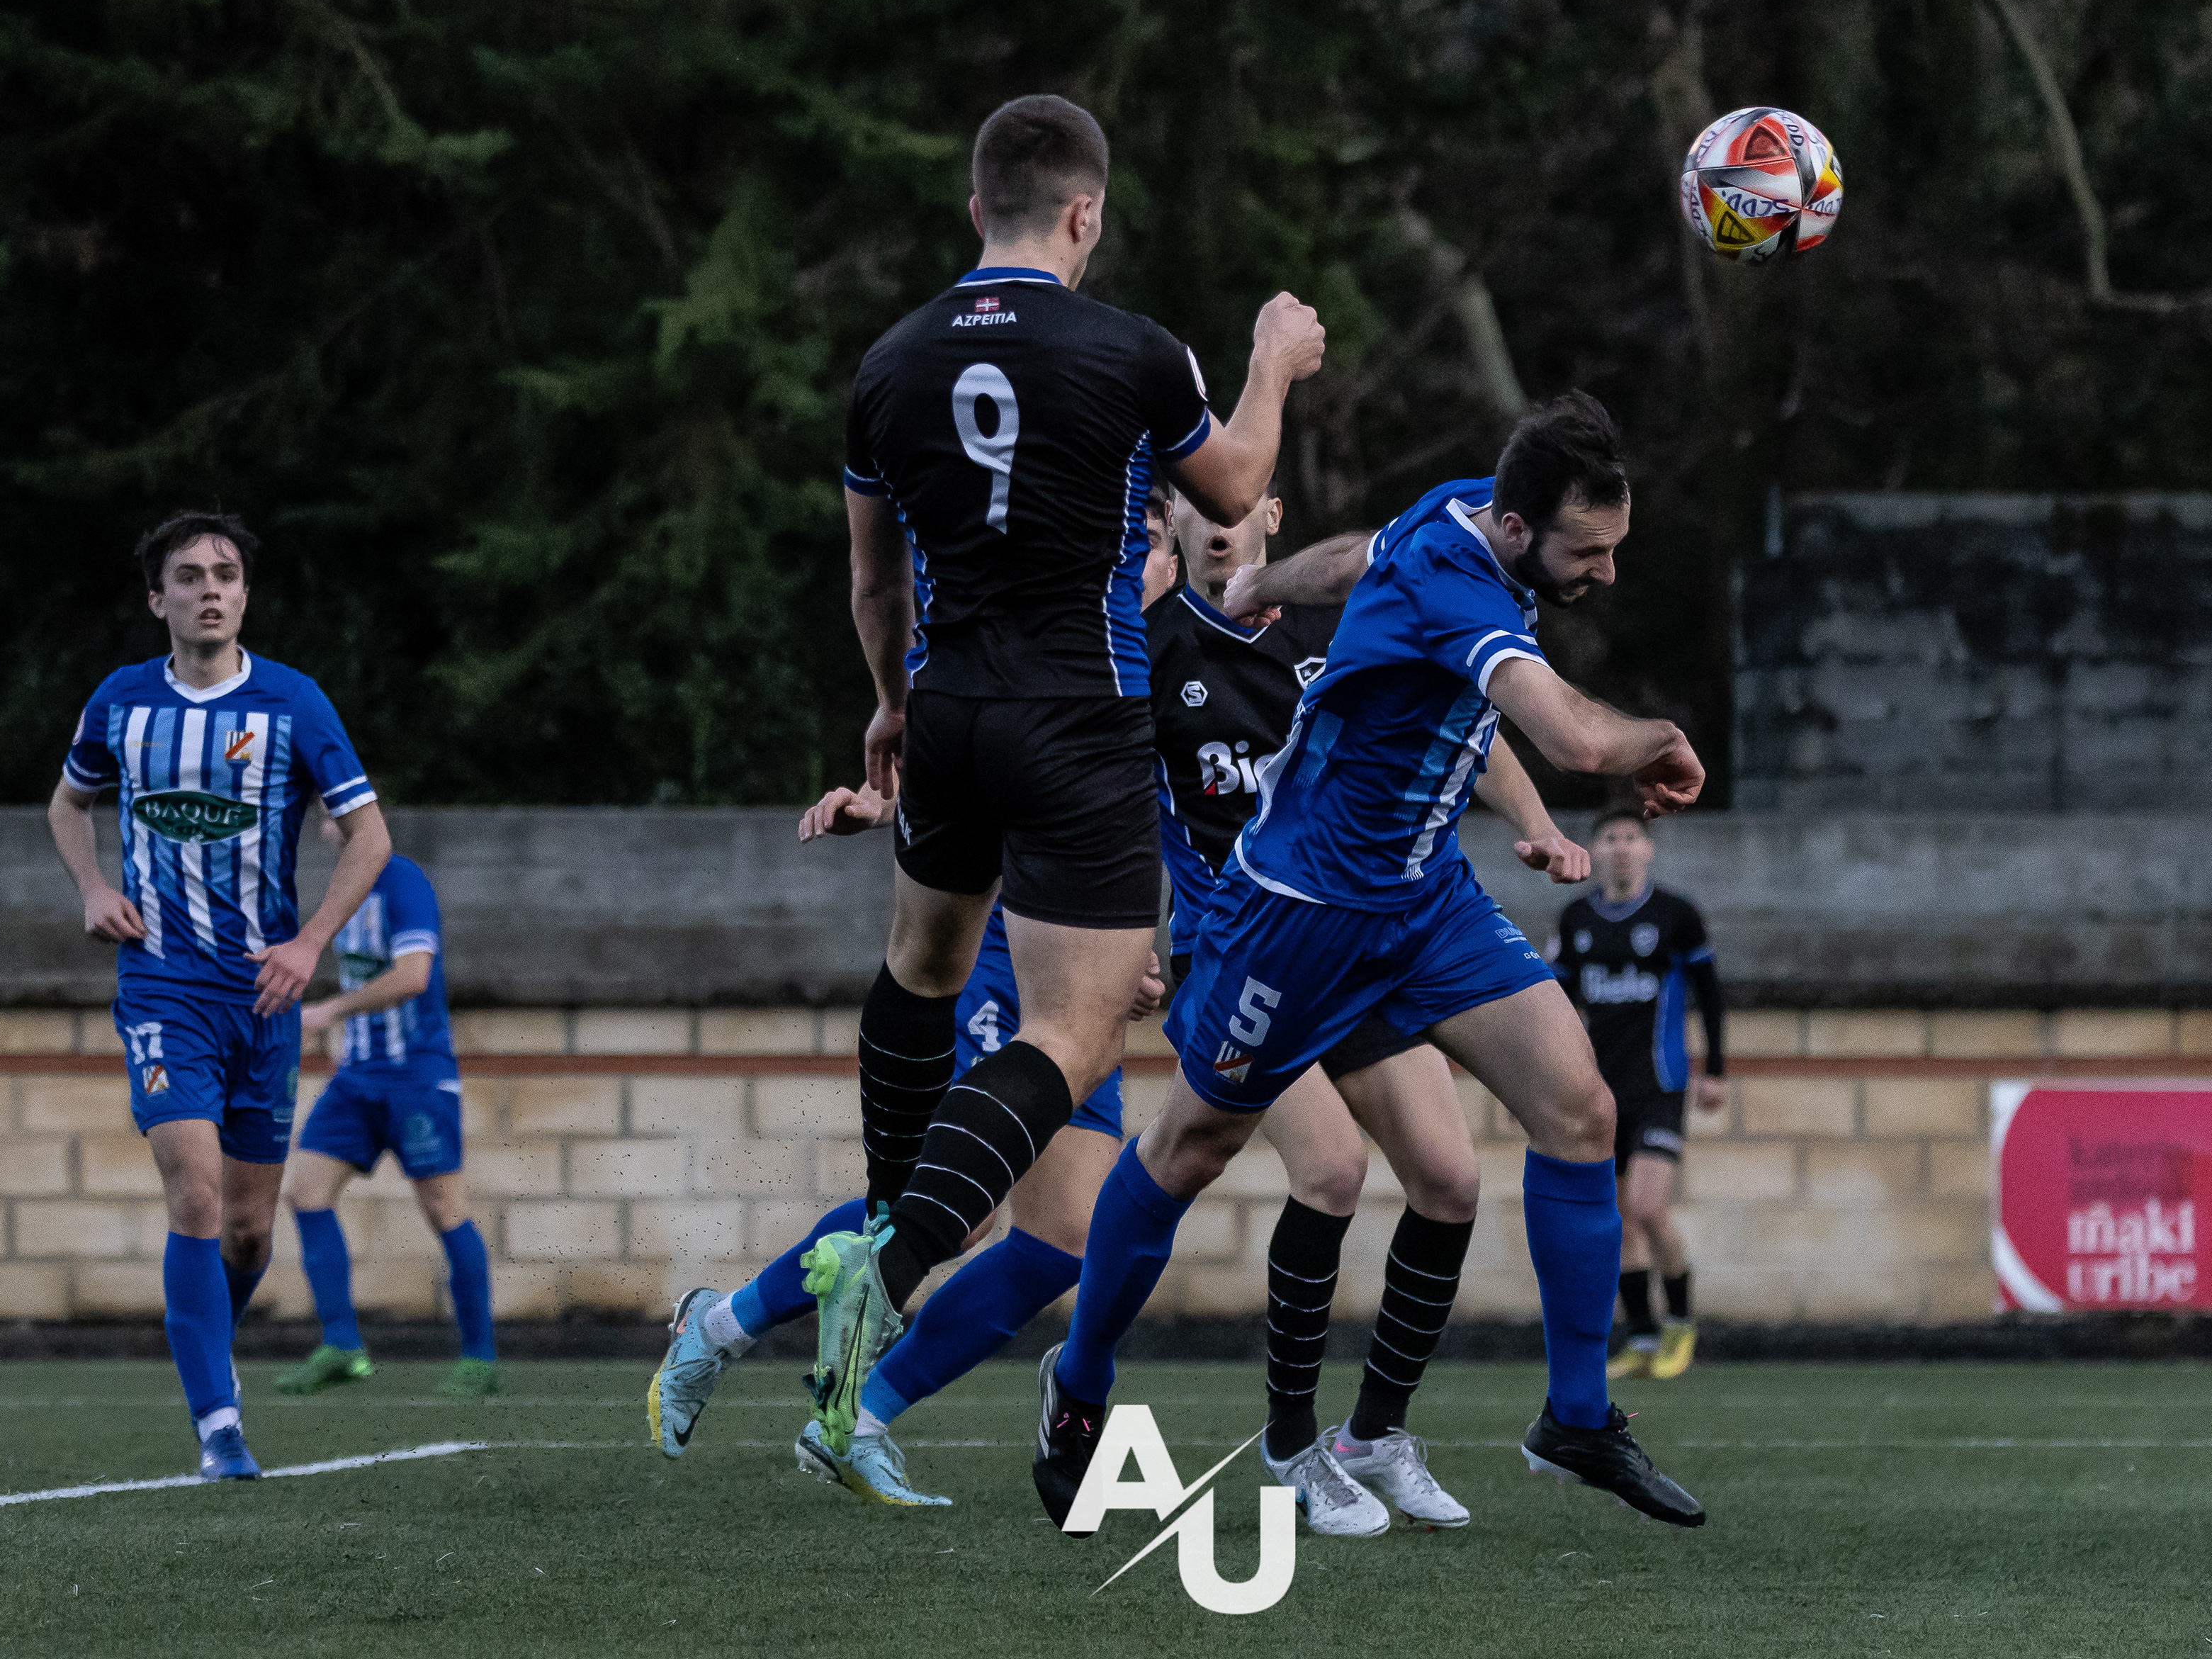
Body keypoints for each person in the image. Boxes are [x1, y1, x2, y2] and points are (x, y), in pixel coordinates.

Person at [655, 91, 1325, 1444]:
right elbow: (1235, 477)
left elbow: (871, 581)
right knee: (1069, 1042)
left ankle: (871, 1286)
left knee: (919, 973)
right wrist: (1273, 361)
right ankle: (883, 1267)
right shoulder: (1133, 350)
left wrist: (890, 707)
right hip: (1073, 718)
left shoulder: (889, 362)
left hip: (949, 707)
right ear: (1086, 214)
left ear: (975, 210)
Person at [1031, 393, 1715, 1532]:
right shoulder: (1461, 583)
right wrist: (1666, 740)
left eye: (1613, 548)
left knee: (1580, 1112)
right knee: (1191, 1146)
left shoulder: (1461, 510)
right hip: (1298, 913)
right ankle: (1081, 1382)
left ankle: (1575, 1416)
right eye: (1587, 554)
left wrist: (1264, 582)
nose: (1604, 574)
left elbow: (1356, 556)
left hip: (1425, 902)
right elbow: (1576, 737)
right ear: (1516, 530)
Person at [648, 499, 1183, 1506]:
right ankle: (718, 1327)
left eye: (1158, 545)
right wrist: (887, 805)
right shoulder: (1055, 635)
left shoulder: (1178, 669)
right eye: (1133, 540)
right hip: (1007, 956)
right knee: (950, 1209)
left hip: (1088, 986)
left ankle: (854, 1415)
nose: (1144, 560)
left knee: (1063, 1239)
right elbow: (982, 771)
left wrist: (1143, 957)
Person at [1149, 480, 1589, 1534]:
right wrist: (1124, 940)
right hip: (1239, 944)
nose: (1219, 522)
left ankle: (1375, 1434)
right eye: (1198, 505)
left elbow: (1462, 717)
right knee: (1332, 1169)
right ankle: (1290, 1443)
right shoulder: (1149, 647)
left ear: (1272, 516)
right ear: (1170, 521)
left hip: (1351, 936)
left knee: (1449, 1178)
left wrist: (1537, 822)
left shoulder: (1330, 627)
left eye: (1238, 504)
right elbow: (1108, 799)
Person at [47, 512, 392, 1481]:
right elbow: (69, 803)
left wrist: (310, 944)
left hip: (263, 1000)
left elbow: (371, 836)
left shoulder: (293, 703)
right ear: (157, 597)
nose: (211, 589)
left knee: (246, 1229)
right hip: (163, 987)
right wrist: (93, 888)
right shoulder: (120, 702)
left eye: (227, 574)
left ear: (245, 594)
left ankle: (209, 1345)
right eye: (191, 575)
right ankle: (220, 1427)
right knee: (194, 1193)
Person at [274, 832, 497, 1398]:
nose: (329, 821)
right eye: (326, 811)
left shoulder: (403, 881)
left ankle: (480, 1358)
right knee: (305, 1191)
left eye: (339, 809)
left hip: (417, 1077)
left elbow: (414, 975)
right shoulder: (341, 892)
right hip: (356, 1080)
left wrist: (332, 1010)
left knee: (443, 1207)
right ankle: (342, 1345)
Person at [1550, 809, 1725, 1383]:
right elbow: (1554, 1007)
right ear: (1594, 851)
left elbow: (1710, 993)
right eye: (1610, 838)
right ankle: (1643, 1337)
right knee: (1619, 1220)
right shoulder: (1576, 920)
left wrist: (1715, 1071)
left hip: (1660, 1085)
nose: (1621, 847)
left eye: (1631, 838)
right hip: (1602, 1092)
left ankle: (1680, 1322)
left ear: (1647, 849)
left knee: (1649, 1208)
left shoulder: (1676, 915)